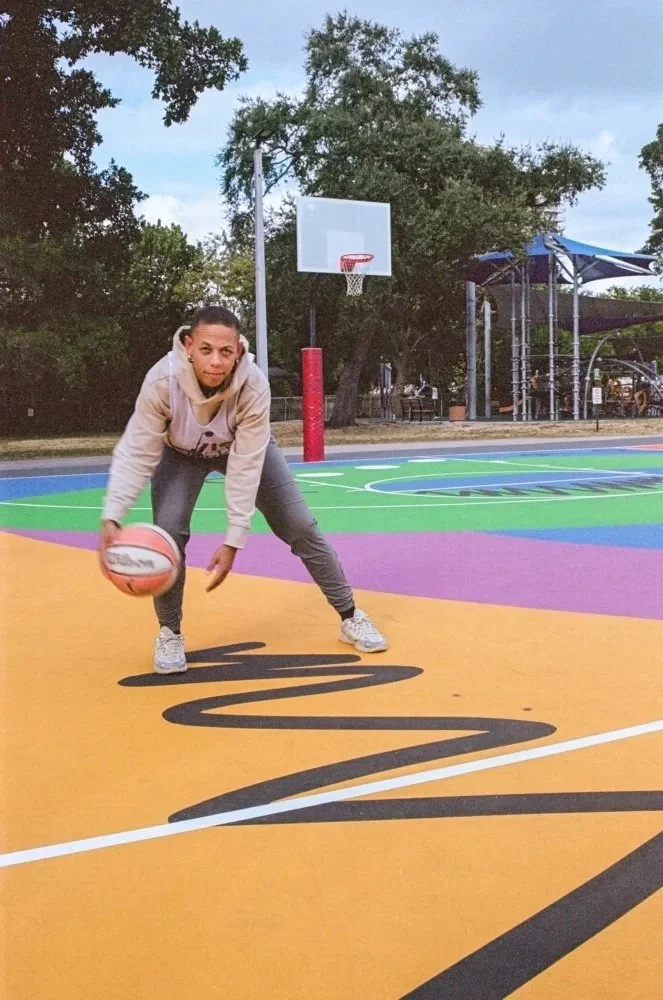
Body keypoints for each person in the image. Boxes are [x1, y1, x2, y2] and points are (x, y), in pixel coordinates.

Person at [100, 305, 388, 673]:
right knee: (168, 535)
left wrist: (234, 538)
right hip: (180, 454)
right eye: (206, 349)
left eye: (225, 351)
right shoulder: (162, 381)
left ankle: (350, 614)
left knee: (300, 525)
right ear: (188, 346)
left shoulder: (253, 384)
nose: (216, 361)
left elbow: (246, 467)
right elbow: (138, 450)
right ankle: (170, 632)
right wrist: (113, 514)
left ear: (238, 350)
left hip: (243, 447)